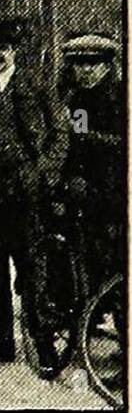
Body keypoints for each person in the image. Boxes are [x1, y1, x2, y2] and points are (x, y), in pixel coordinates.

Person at [0, 17, 68, 375]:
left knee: (33, 274)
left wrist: (43, 174)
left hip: (25, 199)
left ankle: (43, 345)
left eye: (2, 49)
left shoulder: (35, 85)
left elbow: (60, 135)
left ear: (14, 51)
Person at [57, 31, 124, 284]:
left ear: (107, 66)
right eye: (78, 64)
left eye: (92, 64)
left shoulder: (119, 98)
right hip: (83, 192)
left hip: (113, 190)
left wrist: (84, 136)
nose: (85, 70)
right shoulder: (73, 98)